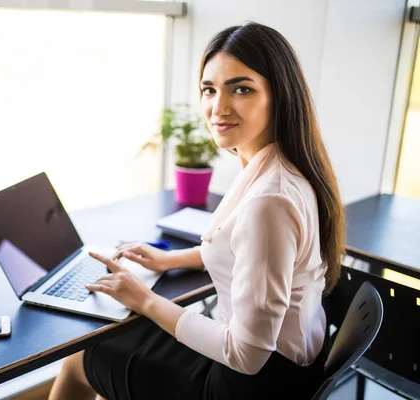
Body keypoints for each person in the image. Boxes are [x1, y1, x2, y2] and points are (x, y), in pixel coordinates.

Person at [48, 21, 345, 400]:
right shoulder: (276, 166)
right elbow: (243, 252)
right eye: (209, 89)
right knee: (120, 340)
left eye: (241, 89)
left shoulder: (270, 201)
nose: (218, 108)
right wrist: (167, 261)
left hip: (246, 384)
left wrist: (145, 300)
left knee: (81, 357)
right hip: (281, 365)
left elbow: (248, 354)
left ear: (280, 95)